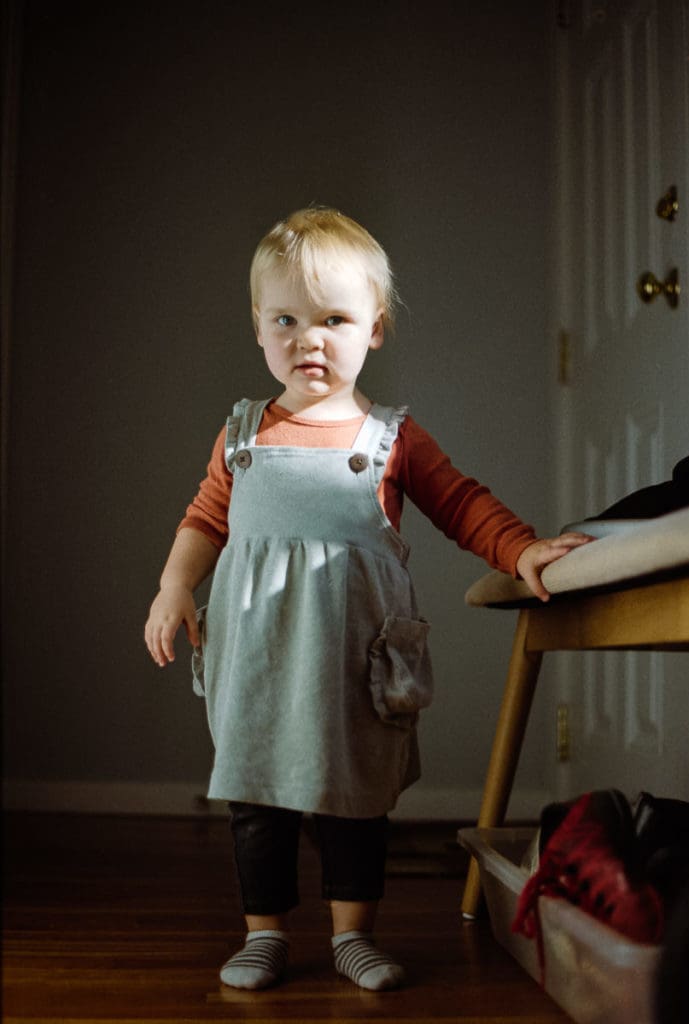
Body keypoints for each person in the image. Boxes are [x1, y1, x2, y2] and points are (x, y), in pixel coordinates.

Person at [144, 207, 591, 992]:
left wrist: (520, 549)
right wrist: (174, 586)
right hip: (258, 656)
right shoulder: (243, 432)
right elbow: (205, 518)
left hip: (352, 662)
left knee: (354, 802)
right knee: (257, 799)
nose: (308, 338)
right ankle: (265, 932)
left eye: (333, 319)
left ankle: (353, 933)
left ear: (373, 329)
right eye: (285, 319)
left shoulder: (389, 438)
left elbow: (460, 503)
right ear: (257, 328)